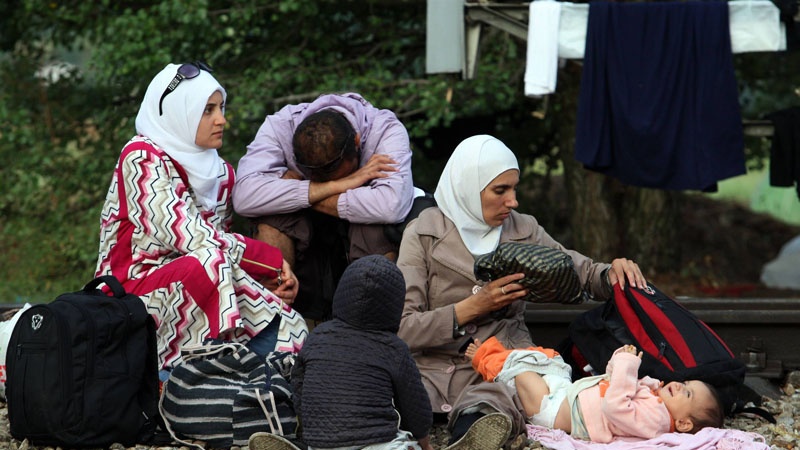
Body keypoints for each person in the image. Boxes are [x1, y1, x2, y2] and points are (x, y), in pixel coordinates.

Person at [396, 134, 648, 449]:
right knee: (392, 391)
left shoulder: (522, 228)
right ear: (467, 188)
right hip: (431, 366)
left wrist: (610, 272)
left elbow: (576, 270)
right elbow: (402, 326)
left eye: (514, 189)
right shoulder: (424, 232)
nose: (513, 201)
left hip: (502, 363)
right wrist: (474, 306)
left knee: (499, 397)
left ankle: (475, 429)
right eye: (500, 191)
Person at [94, 62, 308, 373]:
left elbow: (223, 254)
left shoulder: (221, 174)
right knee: (210, 262)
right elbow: (194, 238)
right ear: (178, 112)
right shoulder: (141, 158)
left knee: (290, 324)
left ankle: (245, 380)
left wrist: (273, 280)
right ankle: (181, 376)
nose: (222, 120)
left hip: (201, 284)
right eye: (207, 110)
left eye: (221, 107)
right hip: (128, 292)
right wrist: (270, 259)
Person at [232, 93, 416, 323]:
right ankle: (273, 319)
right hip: (303, 237)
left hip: (363, 237)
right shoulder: (280, 125)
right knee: (272, 217)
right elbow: (244, 198)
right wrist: (341, 184)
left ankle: (369, 326)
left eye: (343, 175)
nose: (331, 183)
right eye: (314, 177)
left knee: (378, 224)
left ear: (357, 142)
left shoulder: (385, 129)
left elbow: (392, 206)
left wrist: (300, 189)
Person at [253, 255, 433, 450]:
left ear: (342, 293)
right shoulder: (393, 348)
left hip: (320, 443)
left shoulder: (318, 336)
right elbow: (415, 407)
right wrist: (425, 444)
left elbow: (299, 388)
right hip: (376, 443)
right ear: (395, 305)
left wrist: (313, 431)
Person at [466, 339, 725, 442]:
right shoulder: (656, 397)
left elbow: (615, 406)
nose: (681, 385)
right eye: (688, 383)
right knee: (552, 359)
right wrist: (619, 359)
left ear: (681, 423)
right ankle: (498, 361)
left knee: (522, 370)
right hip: (570, 393)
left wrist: (627, 366)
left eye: (687, 394)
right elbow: (614, 381)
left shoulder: (655, 420)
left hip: (555, 411)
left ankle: (483, 358)